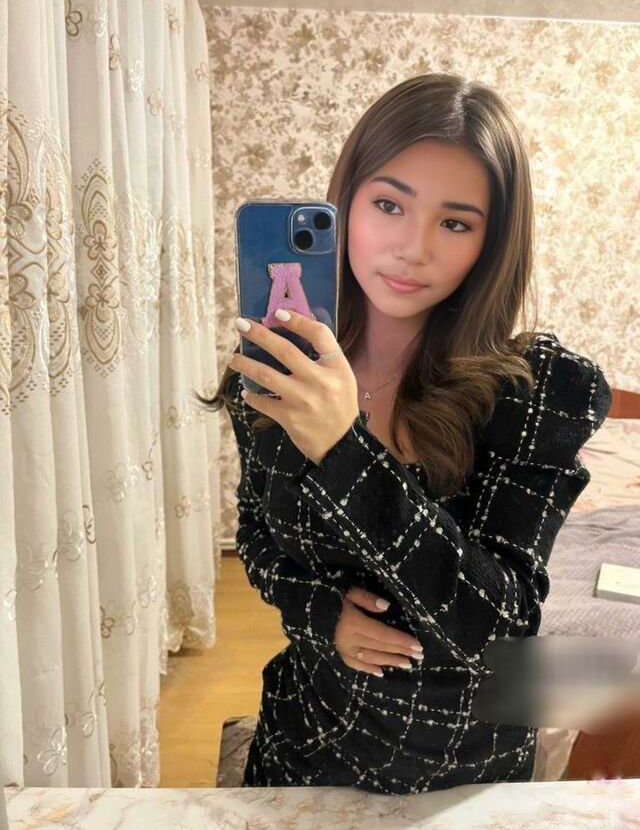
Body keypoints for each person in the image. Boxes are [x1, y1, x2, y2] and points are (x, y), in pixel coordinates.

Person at [197, 73, 612, 794]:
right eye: (389, 205)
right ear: (346, 202)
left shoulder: (540, 389)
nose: (413, 248)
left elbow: (500, 629)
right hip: (311, 733)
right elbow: (259, 538)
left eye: (455, 223)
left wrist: (344, 448)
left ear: (491, 243)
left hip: (462, 762)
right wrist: (321, 614)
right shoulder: (280, 370)